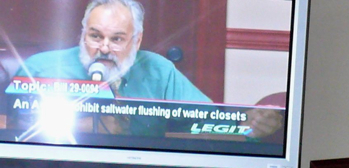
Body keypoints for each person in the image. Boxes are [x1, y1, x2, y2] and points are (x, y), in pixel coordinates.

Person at [12, 0, 281, 138]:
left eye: (116, 39)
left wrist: (249, 126)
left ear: (136, 40)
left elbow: (210, 121)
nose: (104, 48)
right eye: (95, 36)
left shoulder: (158, 71)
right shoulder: (39, 68)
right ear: (83, 34)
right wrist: (87, 125)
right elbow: (10, 129)